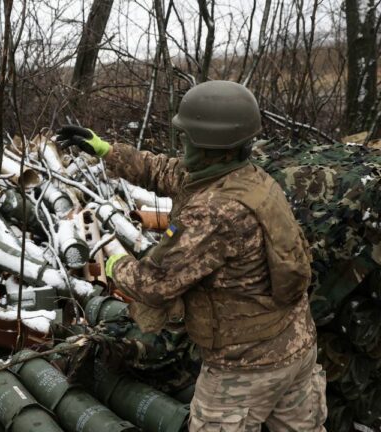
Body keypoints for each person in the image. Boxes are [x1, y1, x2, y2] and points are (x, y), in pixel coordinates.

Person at [55, 80, 327, 431]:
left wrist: (113, 263)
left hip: (244, 368)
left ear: (210, 145)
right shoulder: (246, 177)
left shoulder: (216, 212)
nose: (181, 142)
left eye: (187, 136)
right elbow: (164, 171)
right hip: (296, 344)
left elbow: (154, 284)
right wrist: (106, 150)